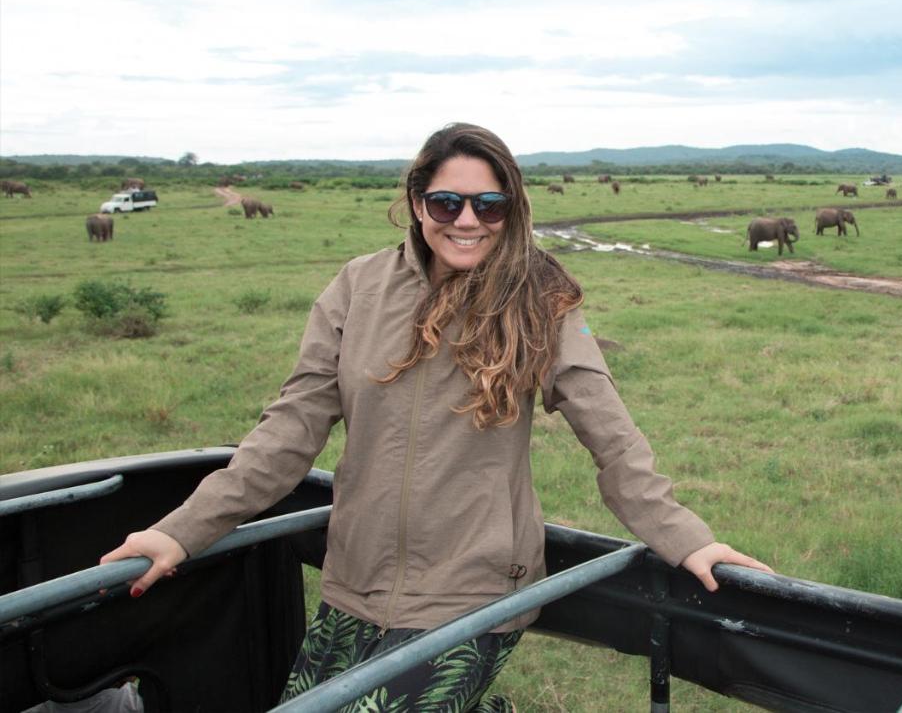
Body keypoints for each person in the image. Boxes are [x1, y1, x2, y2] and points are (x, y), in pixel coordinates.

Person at [101, 123, 771, 712]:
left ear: (513, 208)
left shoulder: (541, 296)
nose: (468, 221)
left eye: (490, 205)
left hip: (474, 595)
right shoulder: (358, 288)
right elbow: (288, 431)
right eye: (447, 202)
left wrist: (686, 537)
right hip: (353, 585)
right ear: (418, 201)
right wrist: (182, 532)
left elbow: (611, 434)